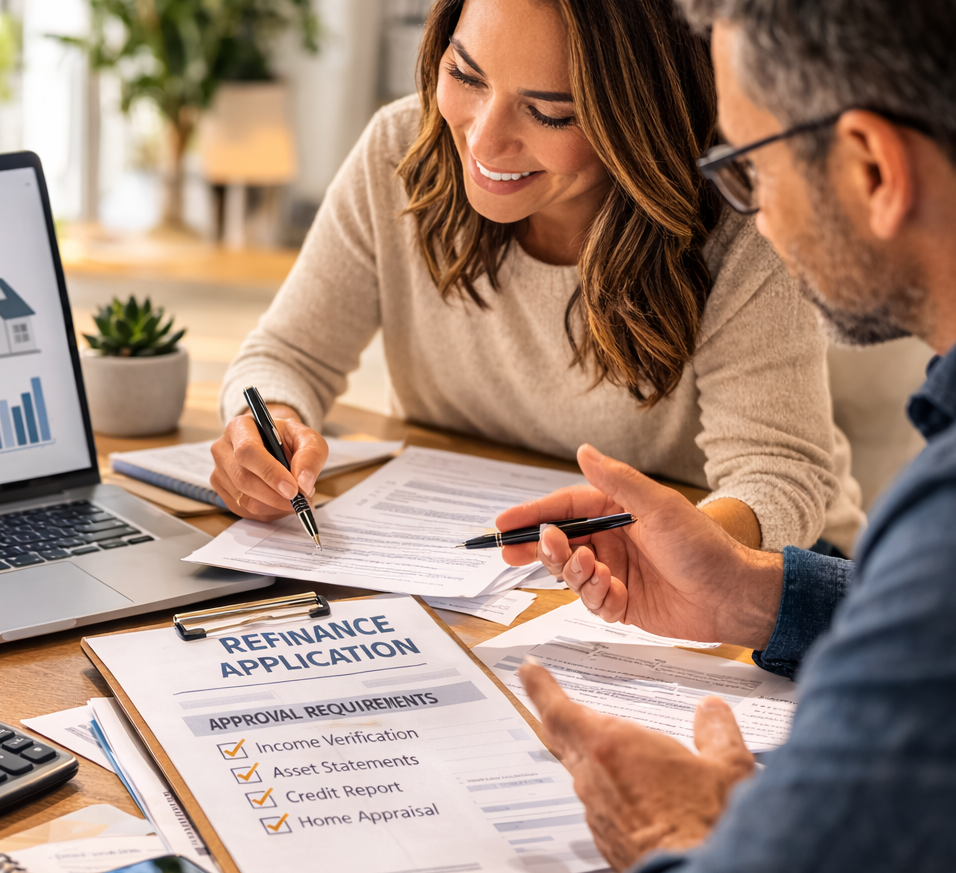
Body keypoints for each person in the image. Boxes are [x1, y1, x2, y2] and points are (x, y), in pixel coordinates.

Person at [495, 0, 956, 873]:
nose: (749, 214)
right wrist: (762, 594)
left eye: (749, 167)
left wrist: (670, 834)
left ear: (872, 168)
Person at [209, 0, 866, 556]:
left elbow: (777, 479)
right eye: (465, 74)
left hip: (752, 565)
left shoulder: (745, 217)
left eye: (550, 113)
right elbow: (288, 355)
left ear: (640, 116)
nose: (484, 142)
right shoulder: (400, 149)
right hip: (479, 559)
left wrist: (648, 549)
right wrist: (267, 426)